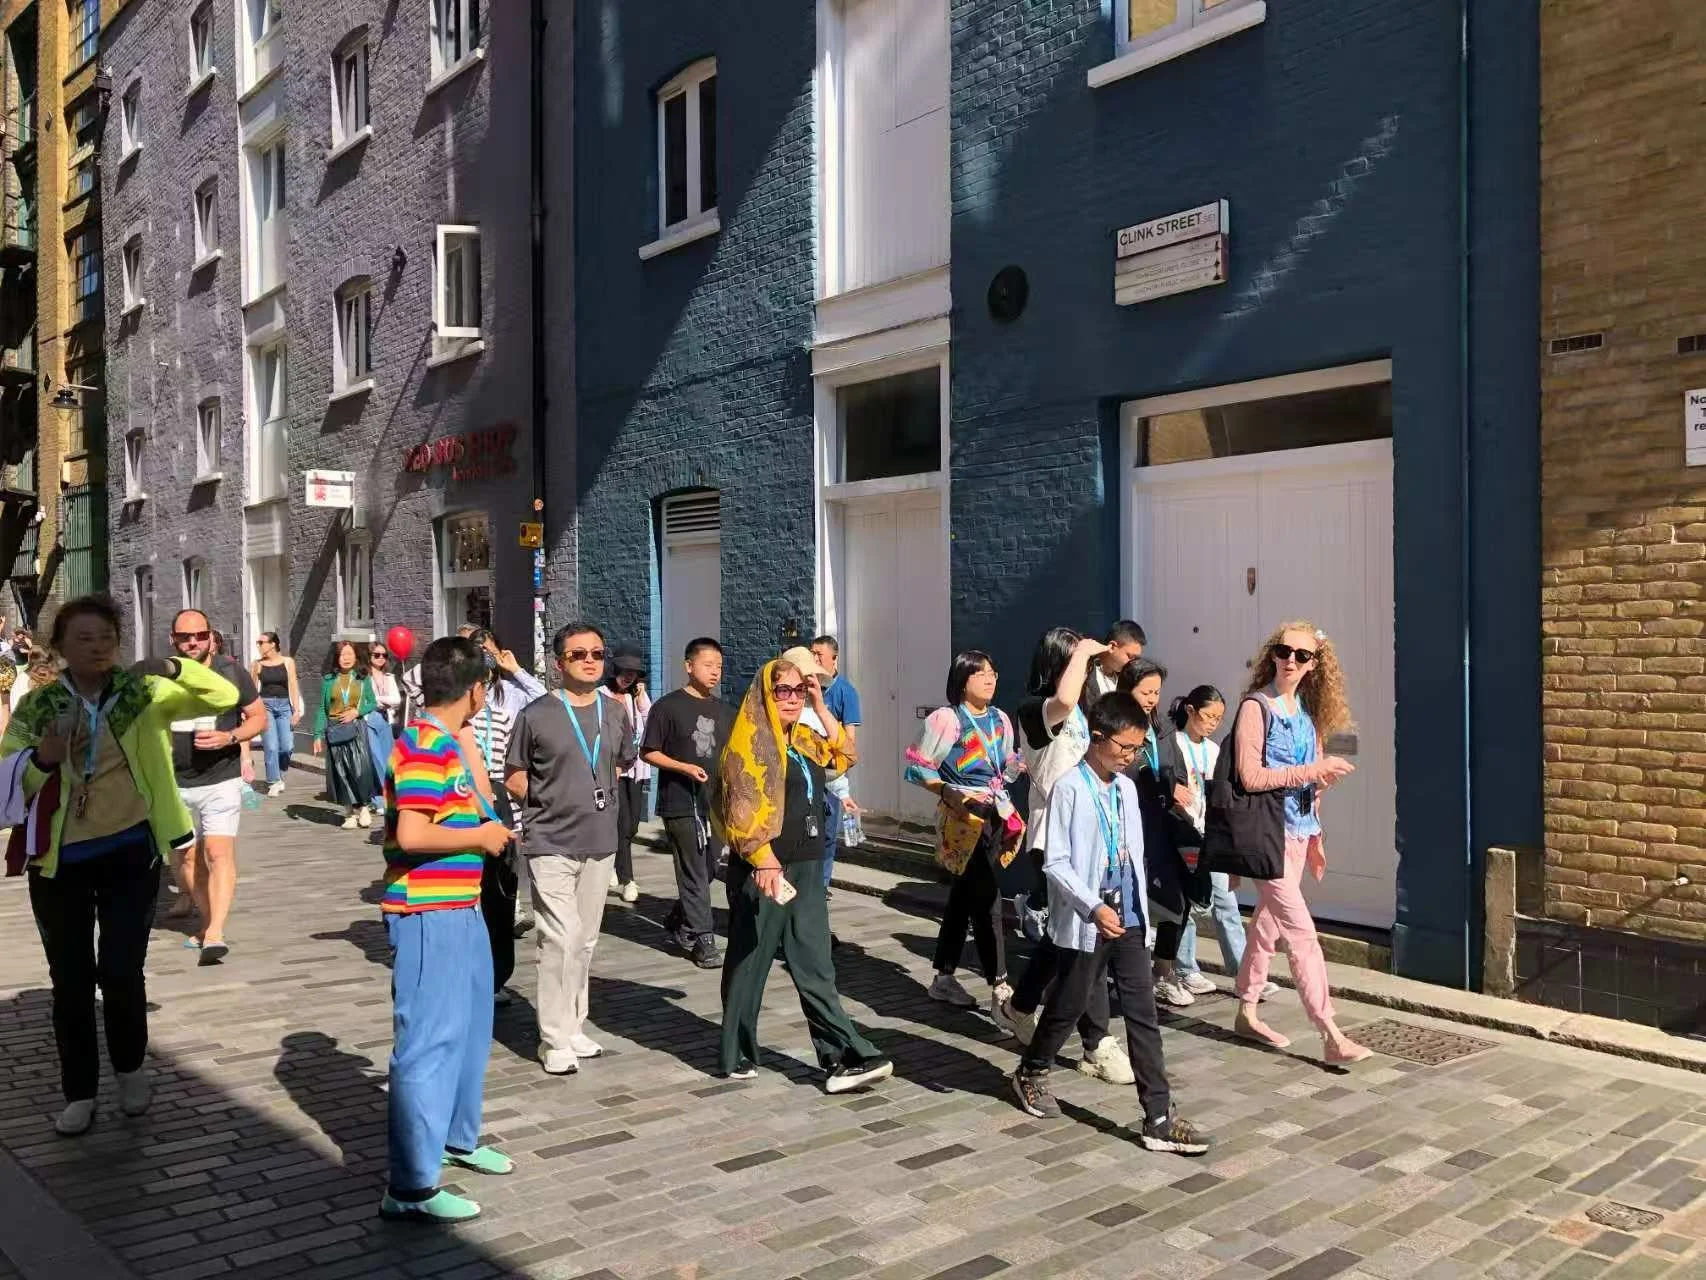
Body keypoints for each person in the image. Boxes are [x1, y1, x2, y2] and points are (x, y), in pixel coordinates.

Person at [2, 595, 238, 1136]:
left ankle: (131, 1071)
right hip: (58, 864)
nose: (97, 646)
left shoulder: (141, 693)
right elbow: (5, 778)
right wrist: (44, 759)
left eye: (106, 636)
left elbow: (224, 694)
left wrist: (172, 665)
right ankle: (79, 1092)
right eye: (84, 638)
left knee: (122, 973)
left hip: (131, 853)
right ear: (59, 647)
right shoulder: (40, 707)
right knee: (71, 981)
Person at [1008, 694, 1212, 1155]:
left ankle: (1158, 1116)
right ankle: (1032, 1070)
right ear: (1097, 739)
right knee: (1069, 1001)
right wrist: (1091, 907)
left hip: (1130, 916)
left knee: (1143, 1013)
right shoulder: (1070, 788)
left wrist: (1138, 907)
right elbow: (1056, 862)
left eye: (1138, 748)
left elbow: (1132, 854)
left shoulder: (1125, 788)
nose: (1130, 756)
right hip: (1087, 918)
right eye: (1124, 747)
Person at [379, 636, 515, 1222]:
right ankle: (410, 1187)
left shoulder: (446, 743)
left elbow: (469, 803)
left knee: (468, 1030)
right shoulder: (421, 746)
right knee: (428, 1043)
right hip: (427, 913)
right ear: (476, 689)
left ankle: (458, 1138)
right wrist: (479, 838)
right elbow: (411, 835)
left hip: (461, 908)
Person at [716, 655, 893, 1091]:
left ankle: (843, 1056)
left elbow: (845, 754)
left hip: (809, 865)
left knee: (815, 962)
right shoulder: (750, 742)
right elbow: (739, 810)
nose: (793, 699)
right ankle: (735, 1051)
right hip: (768, 866)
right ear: (765, 694)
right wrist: (764, 862)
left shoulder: (804, 737)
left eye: (800, 691)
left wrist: (821, 703)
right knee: (749, 963)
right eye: (784, 691)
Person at [1219, 622, 1371, 1064]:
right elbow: (1251, 778)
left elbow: (1310, 783)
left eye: (1301, 655)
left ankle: (1246, 1010)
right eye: (1284, 651)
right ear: (1273, 655)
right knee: (1302, 934)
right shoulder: (1256, 707)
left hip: (1298, 835)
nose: (1291, 660)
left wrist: (1320, 792)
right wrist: (1311, 771)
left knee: (1266, 926)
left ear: (1314, 664)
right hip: (1268, 837)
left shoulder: (1306, 712)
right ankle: (1329, 1032)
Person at [996, 627, 1135, 1087]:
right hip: (1053, 843)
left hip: (1097, 844)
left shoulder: (1085, 714)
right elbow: (1066, 695)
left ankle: (1018, 1005)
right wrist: (1083, 655)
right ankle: (1096, 1043)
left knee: (1062, 940)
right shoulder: (1036, 711)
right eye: (1079, 662)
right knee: (1083, 942)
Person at [505, 623, 635, 1076]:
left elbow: (621, 762)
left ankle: (575, 1024)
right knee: (559, 938)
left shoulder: (615, 713)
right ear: (559, 663)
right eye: (578, 654)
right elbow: (515, 773)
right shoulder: (537, 714)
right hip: (550, 841)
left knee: (585, 939)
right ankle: (553, 1039)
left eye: (597, 653)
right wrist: (546, 804)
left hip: (600, 841)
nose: (589, 661)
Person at [904, 650, 1026, 1014]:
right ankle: (1000, 983)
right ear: (962, 680)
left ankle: (943, 976)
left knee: (963, 895)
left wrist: (1025, 764)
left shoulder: (1000, 720)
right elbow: (917, 767)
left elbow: (1005, 764)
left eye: (993, 672)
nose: (990, 679)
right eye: (980, 674)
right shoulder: (946, 720)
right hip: (962, 821)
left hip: (994, 816)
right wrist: (948, 791)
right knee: (987, 895)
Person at [1155, 686, 1279, 1004]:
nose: (1213, 723)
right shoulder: (1170, 744)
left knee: (1226, 902)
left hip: (1213, 836)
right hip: (1184, 834)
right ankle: (1185, 968)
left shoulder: (1214, 750)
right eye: (1209, 716)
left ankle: (1243, 973)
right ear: (1191, 710)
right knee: (1189, 903)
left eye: (1219, 718)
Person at [166, 609, 267, 965]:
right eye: (184, 637)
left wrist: (230, 737)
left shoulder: (230, 671)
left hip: (220, 779)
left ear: (211, 637)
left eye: (200, 635)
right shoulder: (163, 676)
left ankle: (215, 932)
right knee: (187, 856)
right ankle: (207, 922)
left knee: (218, 853)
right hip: (174, 783)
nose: (192, 641)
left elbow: (259, 717)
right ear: (173, 640)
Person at [641, 637, 736, 969]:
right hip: (681, 803)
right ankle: (702, 937)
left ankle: (681, 917)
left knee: (709, 866)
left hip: (716, 804)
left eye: (719, 667)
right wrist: (683, 767)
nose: (715, 672)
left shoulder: (725, 711)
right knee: (694, 869)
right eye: (708, 665)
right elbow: (648, 751)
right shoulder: (667, 708)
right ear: (689, 665)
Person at [467, 628, 549, 933]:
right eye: (478, 653)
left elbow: (544, 700)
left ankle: (509, 906)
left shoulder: (509, 693)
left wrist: (515, 669)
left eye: (490, 652)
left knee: (509, 849)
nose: (486, 660)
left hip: (503, 783)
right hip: (474, 785)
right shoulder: (462, 700)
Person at [808, 635, 862, 890]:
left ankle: (822, 884)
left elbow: (849, 741)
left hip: (830, 774)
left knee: (828, 832)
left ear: (834, 658)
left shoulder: (844, 692)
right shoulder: (805, 686)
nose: (815, 658)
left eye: (820, 654)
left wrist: (836, 770)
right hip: (804, 771)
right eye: (812, 653)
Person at [312, 641, 380, 829]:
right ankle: (349, 813)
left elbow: (372, 702)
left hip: (356, 727)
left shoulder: (362, 678)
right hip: (334, 729)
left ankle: (364, 807)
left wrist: (356, 712)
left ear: (356, 657)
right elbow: (321, 709)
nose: (346, 658)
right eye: (343, 655)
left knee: (360, 770)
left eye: (350, 654)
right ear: (337, 658)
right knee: (340, 772)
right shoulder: (328, 680)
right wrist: (317, 734)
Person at [605, 647, 651, 905]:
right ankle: (627, 879)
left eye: (633, 673)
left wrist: (642, 698)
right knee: (623, 824)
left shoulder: (637, 698)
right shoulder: (603, 695)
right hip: (614, 768)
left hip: (636, 768)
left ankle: (612, 861)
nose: (628, 677)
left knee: (632, 825)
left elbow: (651, 719)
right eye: (624, 672)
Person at [251, 632, 303, 797]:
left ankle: (279, 769)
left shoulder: (288, 662)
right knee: (271, 746)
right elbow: (252, 691)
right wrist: (252, 713)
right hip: (265, 706)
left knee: (287, 746)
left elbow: (293, 686)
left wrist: (296, 710)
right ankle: (274, 781)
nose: (259, 645)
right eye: (257, 642)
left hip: (284, 707)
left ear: (273, 644)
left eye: (261, 642)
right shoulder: (257, 664)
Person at [1086, 620, 1146, 700]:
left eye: (1136, 658)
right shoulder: (1085, 672)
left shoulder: (1129, 679)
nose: (1132, 662)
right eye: (1130, 656)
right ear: (1113, 646)